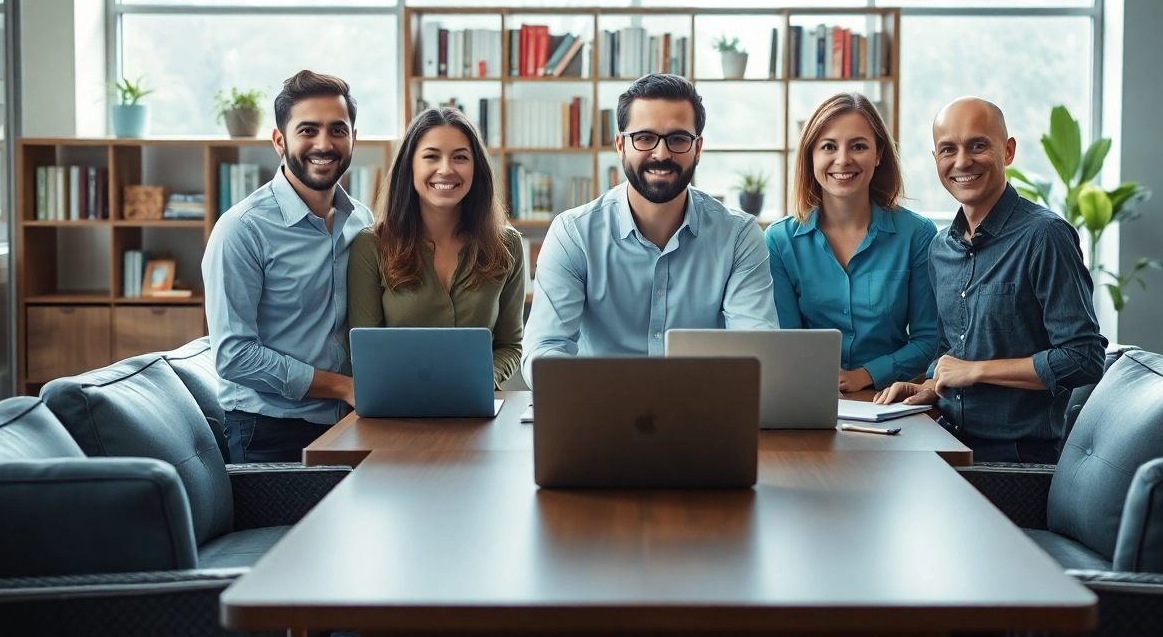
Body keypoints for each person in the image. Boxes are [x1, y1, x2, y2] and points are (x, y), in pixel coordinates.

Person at [875, 96, 1106, 464]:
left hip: (1017, 462)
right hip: (946, 441)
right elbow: (953, 348)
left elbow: (1084, 358)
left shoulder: (1045, 236)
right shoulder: (940, 248)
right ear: (936, 159)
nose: (962, 161)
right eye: (948, 149)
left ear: (1008, 151)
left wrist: (976, 371)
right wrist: (931, 387)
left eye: (978, 145)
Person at [521, 73, 778, 382]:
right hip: (599, 412)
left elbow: (757, 352)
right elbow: (544, 350)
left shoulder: (739, 236)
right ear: (620, 145)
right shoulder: (573, 235)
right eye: (645, 138)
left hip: (703, 413)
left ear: (698, 148)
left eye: (678, 139)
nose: (661, 154)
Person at [202, 70, 372, 463]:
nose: (324, 144)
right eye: (308, 130)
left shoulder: (364, 222)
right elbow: (233, 354)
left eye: (337, 130)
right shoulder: (241, 230)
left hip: (352, 421)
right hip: (269, 429)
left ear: (353, 139)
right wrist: (343, 387)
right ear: (279, 141)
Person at [765, 93, 938, 393]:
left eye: (858, 146)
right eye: (828, 147)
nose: (843, 160)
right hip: (806, 395)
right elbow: (785, 340)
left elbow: (929, 339)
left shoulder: (918, 234)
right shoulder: (780, 241)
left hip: (890, 400)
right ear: (811, 156)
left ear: (879, 153)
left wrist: (865, 375)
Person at [347, 107, 524, 389]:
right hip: (396, 408)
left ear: (476, 168)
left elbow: (510, 345)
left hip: (476, 409)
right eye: (431, 156)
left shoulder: (508, 245)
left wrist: (480, 380)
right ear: (410, 166)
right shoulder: (371, 246)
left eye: (460, 158)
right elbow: (364, 352)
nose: (446, 169)